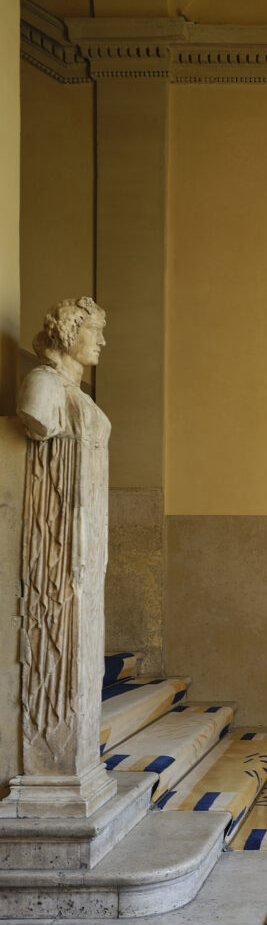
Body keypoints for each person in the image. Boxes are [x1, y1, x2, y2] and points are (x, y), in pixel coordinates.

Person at [16, 297, 112, 796]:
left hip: (86, 541)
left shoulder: (76, 391)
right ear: (68, 332)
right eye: (93, 330)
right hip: (56, 540)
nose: (101, 341)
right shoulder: (42, 386)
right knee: (58, 650)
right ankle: (53, 766)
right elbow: (37, 422)